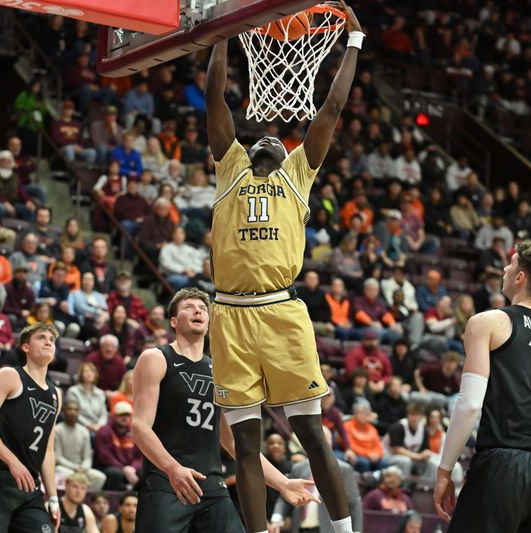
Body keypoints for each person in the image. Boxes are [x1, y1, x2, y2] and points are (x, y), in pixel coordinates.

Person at [205, 4, 363, 532]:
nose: (270, 135)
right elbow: (214, 97)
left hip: (279, 312)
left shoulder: (299, 172)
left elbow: (333, 107)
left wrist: (354, 44)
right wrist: (222, 36)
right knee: (245, 445)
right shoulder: (229, 164)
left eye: (279, 134)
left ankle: (342, 529)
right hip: (229, 314)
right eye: (261, 134)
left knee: (311, 433)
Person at [433, 241, 531, 532]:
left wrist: (444, 471)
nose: (505, 268)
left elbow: (469, 405)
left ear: (520, 277)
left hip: (503, 465)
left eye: (511, 263)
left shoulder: (489, 322)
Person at [133, 288, 317, 532]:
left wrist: (282, 483)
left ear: (209, 321)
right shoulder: (156, 358)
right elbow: (139, 427)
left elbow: (234, 444)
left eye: (202, 308)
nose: (198, 310)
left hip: (211, 488)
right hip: (166, 483)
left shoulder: (220, 371)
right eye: (188, 307)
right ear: (174, 322)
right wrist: (172, 468)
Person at [0, 322, 62, 532]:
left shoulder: (56, 395)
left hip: (30, 486)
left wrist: (54, 498)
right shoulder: (10, 376)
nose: (49, 341)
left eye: (52, 339)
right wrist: (13, 462)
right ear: (26, 347)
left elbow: (47, 451)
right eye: (41, 337)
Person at [55, 400, 107, 494]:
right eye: (69, 409)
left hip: (81, 468)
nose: (72, 412)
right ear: (64, 411)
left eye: (75, 410)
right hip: (65, 467)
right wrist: (75, 468)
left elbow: (87, 456)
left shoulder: (84, 431)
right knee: (61, 473)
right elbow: (58, 457)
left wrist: (84, 467)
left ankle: (84, 497)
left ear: (79, 412)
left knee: (100, 477)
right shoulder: (57, 429)